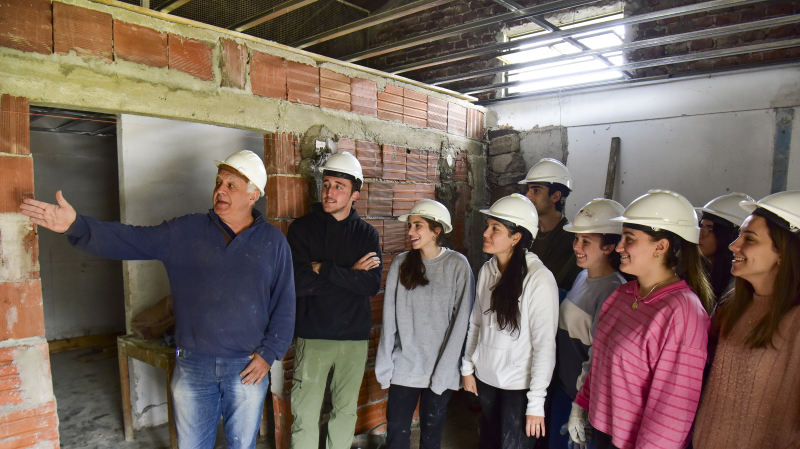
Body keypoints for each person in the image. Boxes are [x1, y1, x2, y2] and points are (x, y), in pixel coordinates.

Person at [20, 150, 296, 449]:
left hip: (248, 365)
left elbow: (285, 303)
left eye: (231, 185)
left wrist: (269, 353)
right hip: (194, 364)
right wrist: (76, 225)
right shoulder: (187, 230)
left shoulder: (273, 242)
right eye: (218, 182)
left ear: (253, 195)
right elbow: (132, 238)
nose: (220, 190)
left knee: (242, 445)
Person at [567, 189, 714, 449]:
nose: (620, 247)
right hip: (603, 431)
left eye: (629, 239)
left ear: (661, 246)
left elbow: (671, 412)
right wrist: (582, 404)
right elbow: (599, 361)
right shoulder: (623, 294)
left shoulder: (682, 313)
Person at [287, 151, 382, 449]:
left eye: (339, 186)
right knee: (305, 412)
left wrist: (324, 269)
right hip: (313, 334)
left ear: (355, 194)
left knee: (345, 411)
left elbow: (370, 285)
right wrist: (350, 275)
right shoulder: (301, 229)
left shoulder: (367, 234)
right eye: (326, 184)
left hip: (354, 338)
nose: (329, 192)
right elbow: (297, 283)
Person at [693, 190, 800, 449]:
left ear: (783, 253)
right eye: (739, 235)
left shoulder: (795, 321)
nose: (734, 245)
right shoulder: (731, 307)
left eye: (749, 239)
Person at [461, 193, 559, 449]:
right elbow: (476, 323)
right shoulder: (488, 270)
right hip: (487, 380)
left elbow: (544, 346)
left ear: (516, 237)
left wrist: (536, 403)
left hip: (518, 388)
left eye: (496, 228)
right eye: (488, 226)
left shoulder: (538, 279)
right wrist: (467, 367)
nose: (486, 233)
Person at [375, 199, 475, 449]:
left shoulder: (457, 265)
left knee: (431, 438)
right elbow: (389, 320)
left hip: (440, 368)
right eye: (409, 225)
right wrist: (385, 366)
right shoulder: (401, 264)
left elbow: (461, 324)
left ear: (436, 230)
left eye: (417, 225)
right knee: (396, 435)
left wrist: (446, 371)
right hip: (404, 366)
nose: (410, 231)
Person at [549, 199, 627, 448]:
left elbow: (598, 356)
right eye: (576, 239)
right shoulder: (583, 276)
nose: (577, 247)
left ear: (609, 247)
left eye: (586, 241)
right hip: (564, 386)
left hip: (583, 398)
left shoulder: (614, 291)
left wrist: (580, 407)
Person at [519, 158, 581, 292]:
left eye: (536, 190)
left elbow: (544, 282)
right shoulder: (527, 230)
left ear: (556, 196)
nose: (528, 196)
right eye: (528, 189)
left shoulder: (569, 237)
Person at [695, 192, 754, 299]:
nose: (700, 235)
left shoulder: (737, 285)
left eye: (708, 228)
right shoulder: (692, 270)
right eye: (701, 226)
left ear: (731, 236)